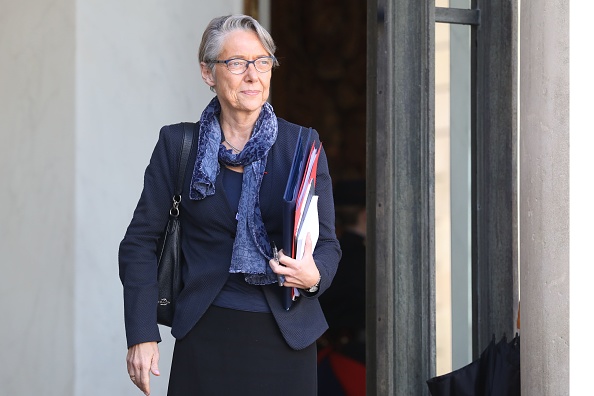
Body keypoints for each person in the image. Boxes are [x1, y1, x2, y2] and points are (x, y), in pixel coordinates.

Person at [118, 14, 341, 396]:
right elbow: (139, 242)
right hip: (206, 337)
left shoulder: (302, 146)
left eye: (262, 61)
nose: (253, 75)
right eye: (237, 63)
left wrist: (313, 276)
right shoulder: (177, 147)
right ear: (208, 73)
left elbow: (328, 245)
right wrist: (141, 333)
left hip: (286, 341)